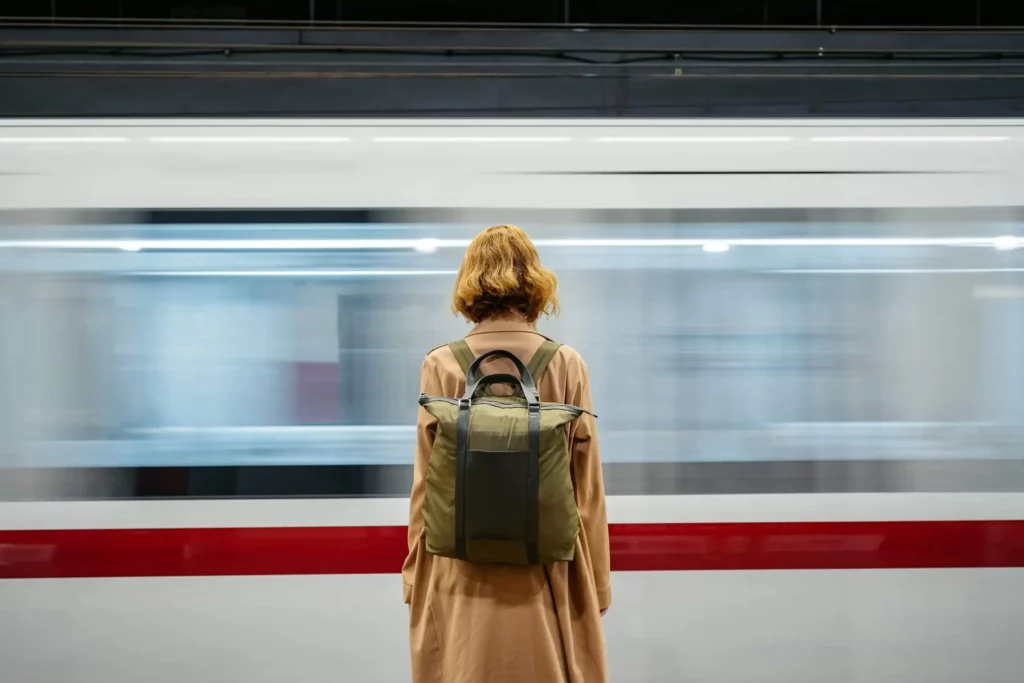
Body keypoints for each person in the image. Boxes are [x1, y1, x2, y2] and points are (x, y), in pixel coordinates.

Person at [403, 225, 611, 683]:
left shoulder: (440, 363)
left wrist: (415, 575)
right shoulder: (565, 363)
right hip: (548, 565)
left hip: (457, 565)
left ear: (469, 284)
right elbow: (587, 485)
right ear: (535, 282)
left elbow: (425, 480)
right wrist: (596, 583)